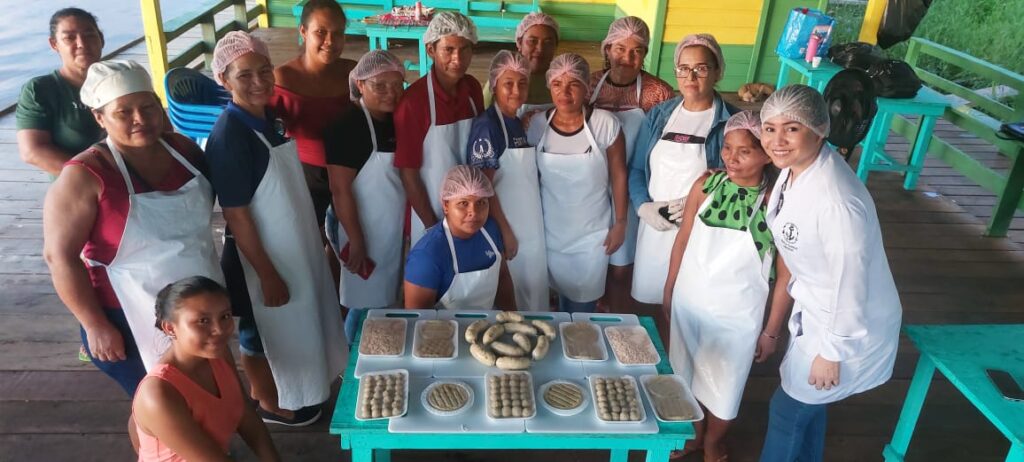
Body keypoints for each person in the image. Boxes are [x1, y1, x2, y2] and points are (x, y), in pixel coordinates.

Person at [43, 60, 223, 393]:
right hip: (127, 314)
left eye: (148, 107)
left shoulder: (183, 150)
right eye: (124, 112)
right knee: (156, 405)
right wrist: (95, 324)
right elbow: (59, 258)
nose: (140, 119)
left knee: (204, 393)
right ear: (100, 117)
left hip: (199, 308)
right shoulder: (85, 175)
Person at [206, 32, 348, 427]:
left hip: (292, 244)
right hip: (259, 256)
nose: (258, 82)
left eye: (265, 71)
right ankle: (270, 402)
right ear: (224, 79)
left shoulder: (266, 118)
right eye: (244, 75)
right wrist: (266, 273)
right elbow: (237, 215)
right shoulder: (230, 136)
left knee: (298, 322)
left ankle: (299, 390)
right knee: (260, 330)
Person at [758, 85, 902, 462]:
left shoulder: (838, 202)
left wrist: (833, 351)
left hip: (849, 326)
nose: (777, 140)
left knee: (788, 411)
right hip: (819, 309)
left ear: (819, 129)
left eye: (791, 128)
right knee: (809, 406)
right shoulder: (796, 172)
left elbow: (851, 282)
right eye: (769, 128)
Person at [662, 111, 788, 462]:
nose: (731, 158)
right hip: (690, 300)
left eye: (744, 151)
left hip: (737, 313)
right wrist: (670, 288)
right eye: (728, 149)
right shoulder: (706, 185)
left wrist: (772, 331)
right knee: (684, 372)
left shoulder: (774, 204)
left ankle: (714, 442)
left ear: (766, 153)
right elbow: (683, 240)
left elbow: (786, 277)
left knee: (725, 385)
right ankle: (694, 434)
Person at [630, 33, 738, 306]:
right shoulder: (659, 115)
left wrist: (699, 203)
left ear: (717, 72)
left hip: (700, 233)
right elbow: (636, 169)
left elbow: (741, 181)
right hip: (654, 229)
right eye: (683, 68)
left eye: (701, 68)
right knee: (649, 303)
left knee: (686, 306)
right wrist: (643, 206)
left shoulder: (733, 121)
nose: (691, 77)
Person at [132, 276, 281, 461]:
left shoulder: (217, 355)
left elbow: (245, 414)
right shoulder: (159, 392)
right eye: (203, 321)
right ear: (170, 328)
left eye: (225, 316)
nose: (219, 330)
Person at [527, 53, 628, 313]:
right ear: (549, 86)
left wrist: (620, 223)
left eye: (573, 84)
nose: (564, 91)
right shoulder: (537, 125)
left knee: (582, 309)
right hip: (551, 233)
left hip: (592, 236)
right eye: (557, 84)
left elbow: (618, 174)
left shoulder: (605, 124)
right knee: (557, 307)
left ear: (586, 87)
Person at [589, 18, 675, 312]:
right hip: (591, 186)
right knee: (593, 255)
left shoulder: (659, 93)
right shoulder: (588, 84)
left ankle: (617, 312)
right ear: (607, 48)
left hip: (633, 186)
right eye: (620, 49)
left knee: (622, 263)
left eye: (637, 51)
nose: (627, 58)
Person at [323, 50, 407, 339]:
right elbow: (339, 189)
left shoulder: (392, 121)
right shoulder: (347, 126)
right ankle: (352, 364)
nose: (391, 93)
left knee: (385, 298)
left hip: (388, 227)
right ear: (360, 84)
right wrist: (356, 240)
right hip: (358, 228)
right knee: (362, 303)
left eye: (397, 85)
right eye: (379, 86)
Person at [272, 0, 355, 274]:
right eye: (321, 32)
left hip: (351, 172)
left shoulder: (352, 72)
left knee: (345, 241)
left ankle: (341, 303)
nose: (330, 41)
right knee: (310, 243)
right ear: (303, 31)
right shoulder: (282, 78)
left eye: (338, 33)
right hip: (306, 175)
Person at [466, 50, 548, 310]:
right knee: (514, 301)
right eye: (508, 84)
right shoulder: (487, 126)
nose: (516, 90)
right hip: (508, 227)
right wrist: (505, 232)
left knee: (533, 293)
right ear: (494, 85)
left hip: (530, 224)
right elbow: (483, 187)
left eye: (522, 83)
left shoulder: (517, 121)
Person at [394, 12, 484, 246]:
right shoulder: (414, 102)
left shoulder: (473, 89)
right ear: (431, 50)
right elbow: (408, 173)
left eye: (465, 49)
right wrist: (433, 225)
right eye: (449, 49)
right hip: (429, 210)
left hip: (470, 211)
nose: (458, 58)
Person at [404, 165, 516, 309]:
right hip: (445, 330)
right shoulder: (426, 256)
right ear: (446, 205)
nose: (473, 212)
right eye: (463, 203)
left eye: (481, 203)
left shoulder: (490, 230)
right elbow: (417, 318)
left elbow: (503, 278)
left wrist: (513, 317)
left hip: (487, 327)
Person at [17, 8, 105, 177]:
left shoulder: (123, 78)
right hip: (78, 186)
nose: (82, 43)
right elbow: (32, 151)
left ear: (101, 39)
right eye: (69, 38)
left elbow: (160, 129)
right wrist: (100, 177)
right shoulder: (40, 90)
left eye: (89, 35)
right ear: (54, 44)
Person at [482, 12, 559, 114]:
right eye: (532, 41)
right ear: (519, 43)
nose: (540, 49)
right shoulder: (500, 78)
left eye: (548, 42)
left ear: (556, 45)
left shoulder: (563, 80)